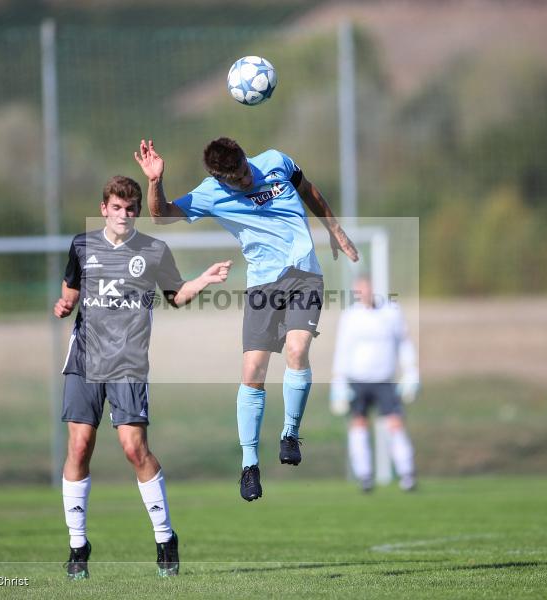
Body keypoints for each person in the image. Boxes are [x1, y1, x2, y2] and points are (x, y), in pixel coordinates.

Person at [134, 137, 359, 502]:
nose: (243, 180)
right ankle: (250, 465)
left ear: (244, 159)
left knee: (297, 350)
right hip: (262, 284)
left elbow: (308, 189)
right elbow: (161, 216)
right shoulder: (210, 193)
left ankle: (289, 434)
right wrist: (155, 181)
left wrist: (333, 228)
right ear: (220, 179)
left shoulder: (275, 161)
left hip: (304, 274)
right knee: (253, 371)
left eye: (243, 171)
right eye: (235, 179)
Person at [54, 175, 231, 580]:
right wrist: (63, 306)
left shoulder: (153, 250)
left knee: (134, 449)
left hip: (128, 363)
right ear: (104, 208)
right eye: (116, 207)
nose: (124, 215)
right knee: (79, 447)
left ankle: (165, 538)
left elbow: (176, 296)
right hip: (83, 359)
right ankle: (78, 546)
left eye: (131, 209)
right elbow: (69, 293)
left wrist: (202, 280)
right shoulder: (82, 245)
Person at [331, 276, 420, 492]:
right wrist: (338, 383)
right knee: (359, 425)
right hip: (357, 380)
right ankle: (365, 477)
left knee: (395, 424)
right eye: (359, 289)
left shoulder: (391, 312)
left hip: (384, 380)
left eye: (367, 288)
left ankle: (407, 475)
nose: (364, 292)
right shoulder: (350, 316)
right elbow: (343, 349)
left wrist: (411, 372)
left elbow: (404, 342)